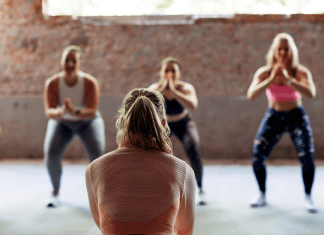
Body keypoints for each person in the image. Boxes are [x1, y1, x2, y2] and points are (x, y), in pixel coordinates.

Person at [85, 88, 196, 235]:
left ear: (123, 122)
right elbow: (185, 232)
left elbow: (103, 225)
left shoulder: (94, 169)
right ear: (162, 124)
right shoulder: (182, 171)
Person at [247, 33, 317, 213]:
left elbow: (311, 94)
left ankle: (308, 197)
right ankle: (261, 194)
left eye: (287, 49)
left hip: (296, 116)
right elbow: (251, 95)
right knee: (257, 155)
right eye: (280, 49)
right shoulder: (265, 72)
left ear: (292, 51)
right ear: (274, 51)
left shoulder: (300, 72)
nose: (283, 52)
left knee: (307, 157)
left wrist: (290, 81)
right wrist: (271, 80)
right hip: (274, 116)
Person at [44, 45, 105, 207]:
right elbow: (49, 110)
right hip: (62, 121)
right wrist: (60, 113)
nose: (70, 64)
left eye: (73, 60)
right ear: (61, 62)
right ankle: (55, 191)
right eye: (66, 60)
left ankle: (100, 195)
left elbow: (92, 111)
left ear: (80, 63)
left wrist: (74, 111)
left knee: (97, 155)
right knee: (51, 153)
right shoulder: (53, 83)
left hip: (88, 121)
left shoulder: (89, 82)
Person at [148, 57, 206, 205]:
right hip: (163, 125)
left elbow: (192, 105)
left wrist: (174, 91)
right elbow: (146, 106)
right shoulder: (154, 88)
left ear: (179, 74)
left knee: (192, 146)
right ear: (161, 73)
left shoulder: (185, 88)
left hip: (183, 123)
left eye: (173, 70)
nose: (169, 73)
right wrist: (163, 90)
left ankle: (199, 187)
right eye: (166, 70)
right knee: (151, 151)